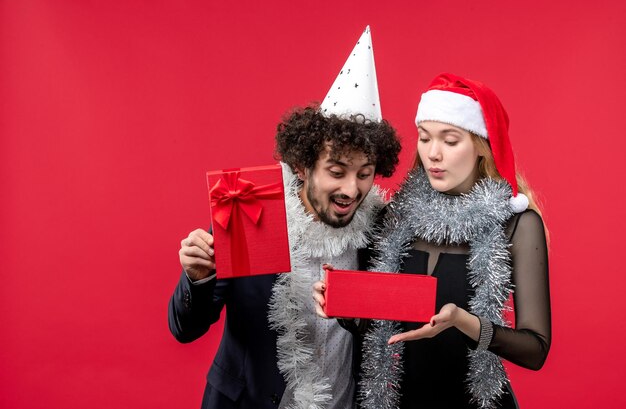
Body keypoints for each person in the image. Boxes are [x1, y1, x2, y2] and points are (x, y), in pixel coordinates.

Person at [168, 26, 401, 409]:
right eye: (337, 171)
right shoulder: (249, 210)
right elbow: (185, 329)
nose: (352, 190)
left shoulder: (380, 227)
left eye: (364, 173)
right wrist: (198, 278)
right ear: (303, 164)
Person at [314, 72, 550, 409]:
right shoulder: (392, 218)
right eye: (425, 138)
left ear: (481, 148)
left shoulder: (517, 224)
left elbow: (535, 349)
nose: (433, 154)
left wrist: (463, 322)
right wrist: (341, 304)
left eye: (450, 141)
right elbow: (375, 328)